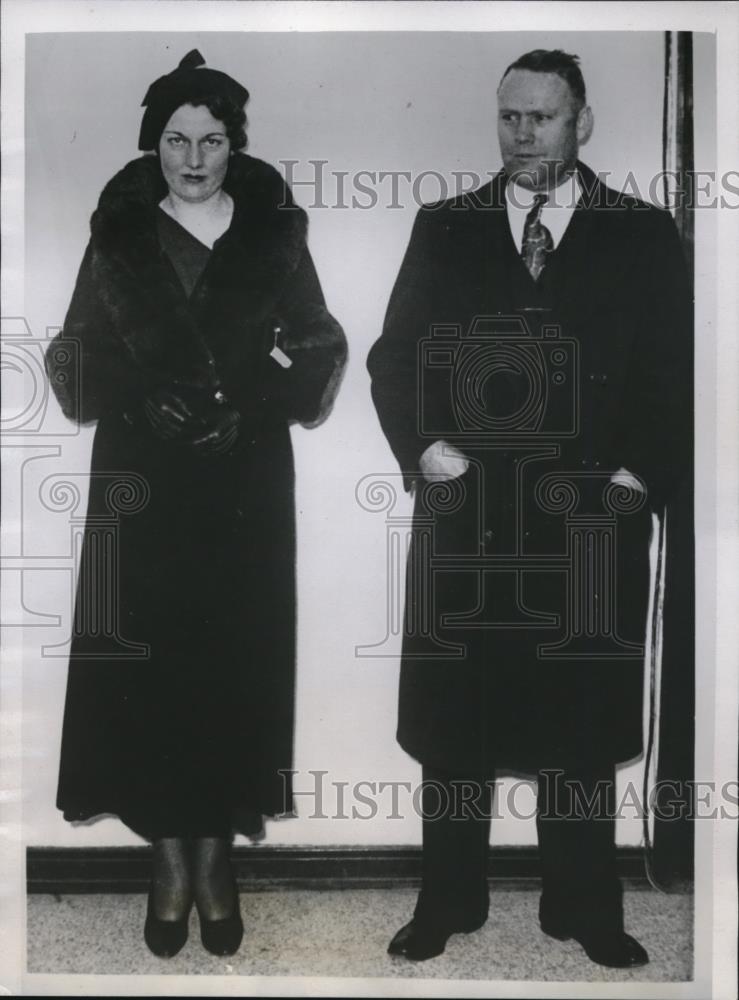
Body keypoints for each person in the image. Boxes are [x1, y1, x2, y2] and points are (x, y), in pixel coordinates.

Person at [367, 49, 692, 967]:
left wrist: (638, 478)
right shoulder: (447, 226)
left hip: (589, 516)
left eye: (541, 118)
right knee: (453, 723)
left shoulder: (640, 233)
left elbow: (676, 374)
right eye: (509, 116)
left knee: (580, 718)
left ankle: (583, 907)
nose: (521, 135)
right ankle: (447, 902)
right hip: (470, 514)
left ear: (580, 122)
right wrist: (426, 449)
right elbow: (395, 359)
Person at [45, 50, 347, 958]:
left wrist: (249, 402)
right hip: (141, 484)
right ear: (155, 144)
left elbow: (322, 346)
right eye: (177, 139)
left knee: (230, 669)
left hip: (244, 484)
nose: (193, 157)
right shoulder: (121, 238)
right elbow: (71, 356)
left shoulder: (274, 236)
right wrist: (140, 395)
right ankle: (168, 865)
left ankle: (215, 863)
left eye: (211, 140)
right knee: (152, 676)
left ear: (232, 146)